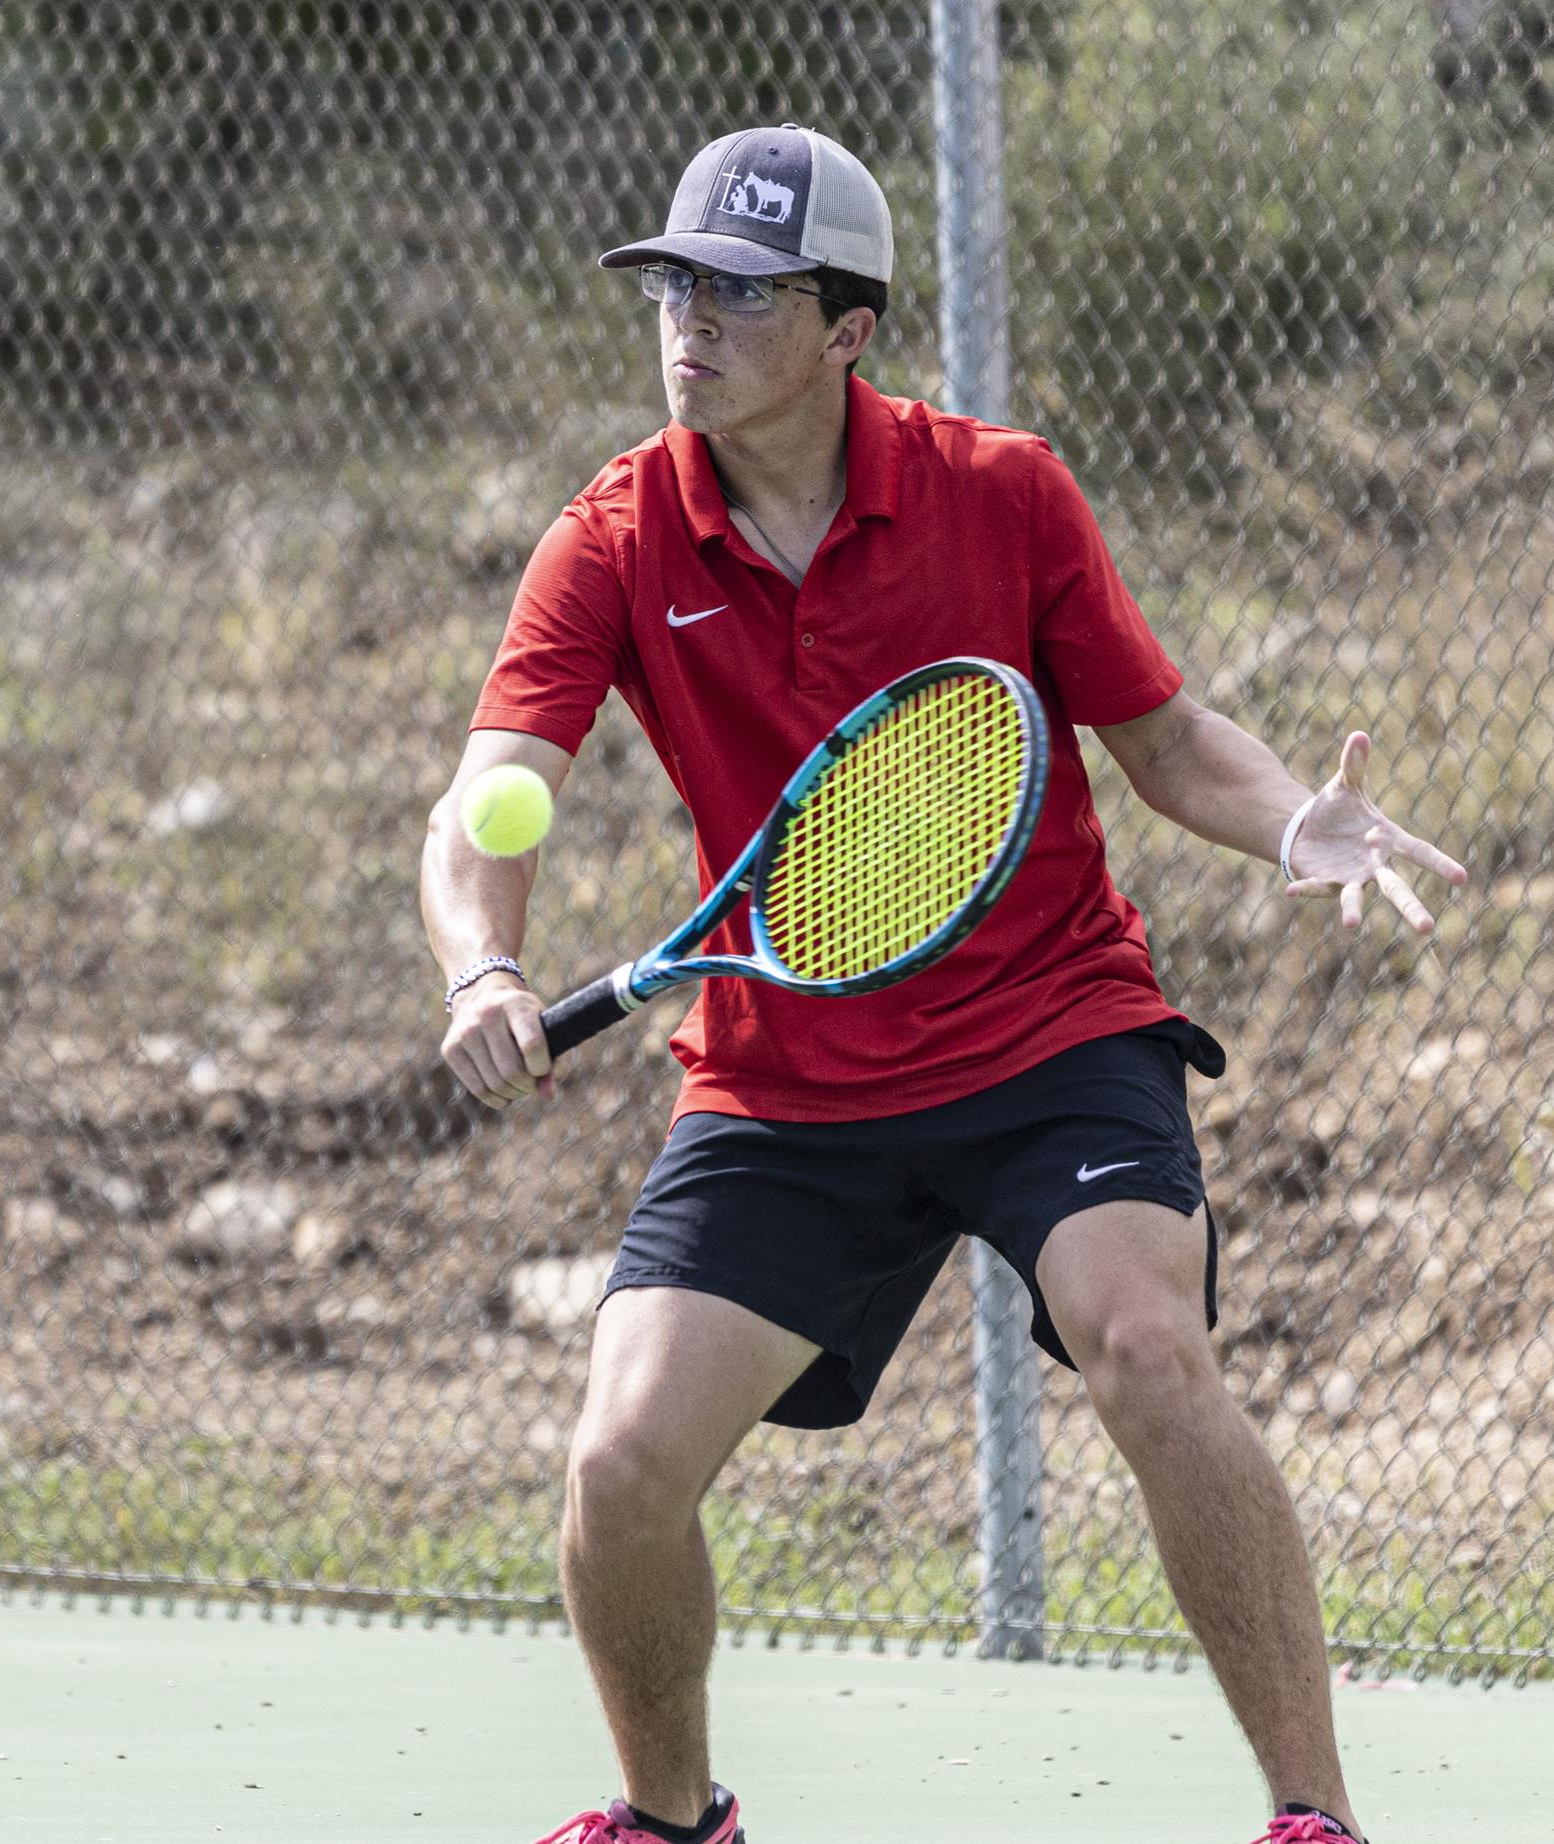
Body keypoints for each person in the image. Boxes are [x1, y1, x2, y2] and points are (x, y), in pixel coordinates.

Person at [417, 123, 1467, 1844]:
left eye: (742, 294)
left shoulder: (1000, 493)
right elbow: (485, 797)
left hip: (1050, 1034)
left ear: (847, 331)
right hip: (783, 1081)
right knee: (618, 1467)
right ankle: (673, 1820)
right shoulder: (613, 535)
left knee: (1148, 1342)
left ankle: (1314, 1817)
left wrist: (1297, 827)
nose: (689, 321)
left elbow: (1168, 740)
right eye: (674, 282)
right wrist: (486, 966)